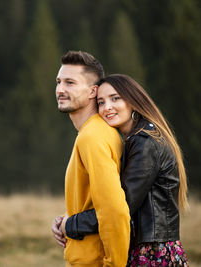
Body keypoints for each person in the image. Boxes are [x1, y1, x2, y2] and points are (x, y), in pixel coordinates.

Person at [55, 74, 189, 267]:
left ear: (133, 101)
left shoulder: (145, 143)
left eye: (115, 98)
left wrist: (70, 225)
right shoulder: (137, 139)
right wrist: (65, 220)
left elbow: (119, 207)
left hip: (152, 254)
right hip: (149, 250)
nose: (107, 107)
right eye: (101, 102)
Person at [52, 51, 131, 267]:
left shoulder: (93, 137)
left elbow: (114, 211)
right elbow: (94, 201)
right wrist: (67, 220)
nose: (60, 89)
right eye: (58, 82)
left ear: (92, 91)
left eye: (70, 83)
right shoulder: (95, 132)